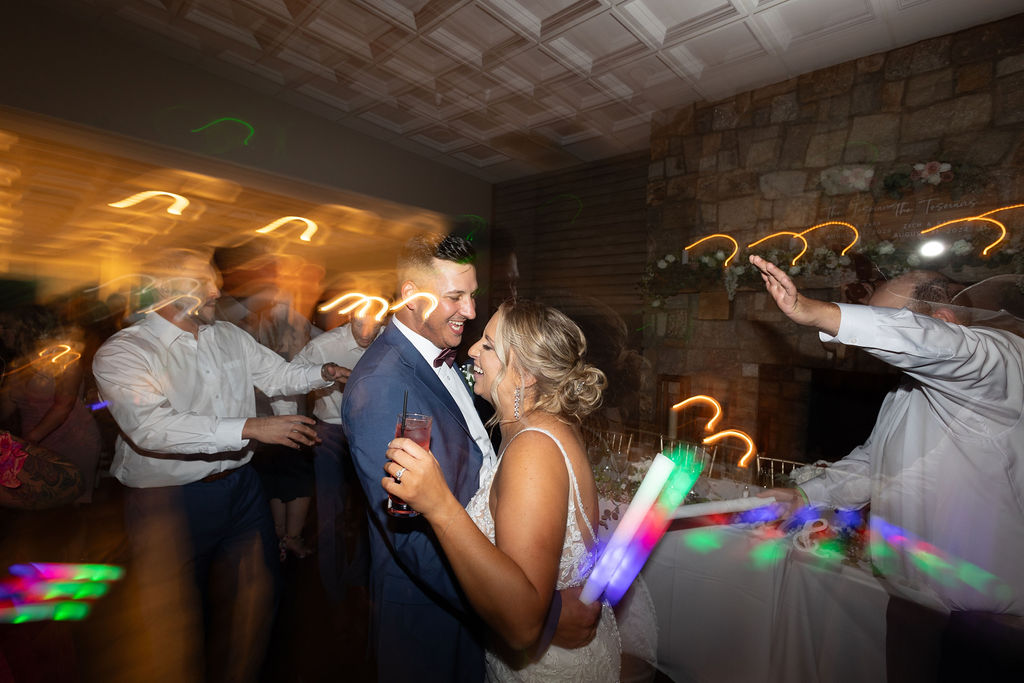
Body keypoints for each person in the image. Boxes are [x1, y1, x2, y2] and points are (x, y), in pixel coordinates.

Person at [750, 255, 1024, 679]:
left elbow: (942, 345)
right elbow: (875, 463)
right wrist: (805, 494)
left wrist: (816, 311)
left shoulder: (1000, 363)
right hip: (913, 603)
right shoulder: (907, 388)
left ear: (945, 320)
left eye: (884, 321)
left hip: (986, 626)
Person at [342, 234, 600, 683]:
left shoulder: (450, 357)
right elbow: (410, 534)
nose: (471, 311)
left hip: (494, 601)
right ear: (411, 295)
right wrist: (545, 613)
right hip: (434, 617)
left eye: (473, 295)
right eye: (455, 297)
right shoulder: (381, 385)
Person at [92, 248, 348, 682]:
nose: (216, 290)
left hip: (242, 488)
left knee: (260, 594)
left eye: (213, 279)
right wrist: (252, 427)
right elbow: (151, 428)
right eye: (200, 282)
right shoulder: (124, 353)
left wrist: (322, 371)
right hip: (166, 503)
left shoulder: (228, 336)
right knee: (176, 620)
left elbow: (279, 376)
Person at [384, 298, 621, 681]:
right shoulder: (538, 427)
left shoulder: (533, 448)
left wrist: (439, 504)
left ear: (525, 374)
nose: (473, 349)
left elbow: (524, 623)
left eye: (490, 345)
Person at [293, 307, 382, 598]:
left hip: (368, 432)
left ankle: (358, 577)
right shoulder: (323, 346)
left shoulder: (388, 339)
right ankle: (331, 588)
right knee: (330, 511)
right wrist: (294, 423)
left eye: (375, 323)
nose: (368, 332)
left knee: (368, 508)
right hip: (330, 434)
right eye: (360, 323)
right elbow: (290, 378)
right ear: (350, 316)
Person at [0, 306, 102, 503]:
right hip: (32, 445)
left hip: (72, 441)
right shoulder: (15, 364)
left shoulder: (64, 359)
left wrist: (25, 444)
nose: (1, 332)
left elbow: (62, 407)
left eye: (6, 327)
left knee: (67, 517)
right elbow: (6, 409)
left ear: (29, 330)